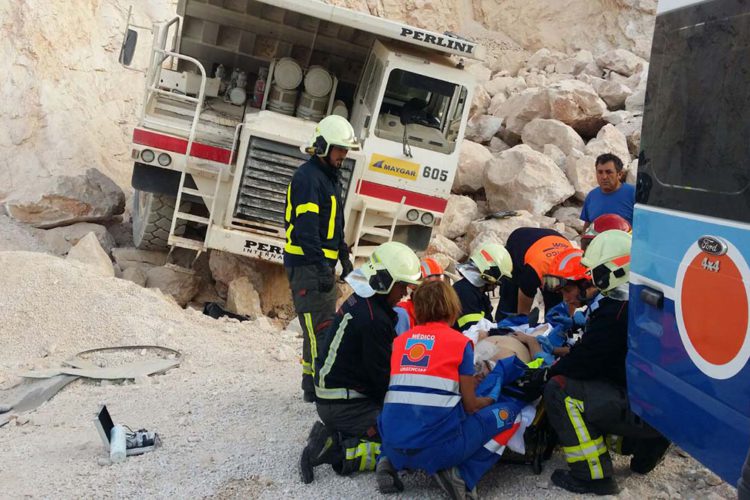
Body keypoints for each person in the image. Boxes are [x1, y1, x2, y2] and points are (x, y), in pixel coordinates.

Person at [535, 230, 670, 495]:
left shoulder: (614, 313)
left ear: (612, 269)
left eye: (595, 270)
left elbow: (584, 363)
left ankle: (592, 476)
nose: (593, 277)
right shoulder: (638, 300)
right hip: (657, 401)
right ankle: (641, 444)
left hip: (644, 407)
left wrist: (547, 373)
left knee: (560, 389)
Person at [379, 279, 528, 499]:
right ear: (451, 306)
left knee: (407, 411)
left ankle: (388, 460)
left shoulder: (400, 342)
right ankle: (462, 473)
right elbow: (470, 406)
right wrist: (489, 400)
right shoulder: (460, 343)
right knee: (510, 414)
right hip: (436, 450)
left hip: (392, 441)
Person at [299, 241, 422, 488]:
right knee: (407, 442)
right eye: (402, 286)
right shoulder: (373, 319)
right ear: (386, 282)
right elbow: (382, 381)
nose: (405, 293)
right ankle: (334, 451)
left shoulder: (366, 303)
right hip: (343, 405)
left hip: (337, 397)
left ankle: (336, 434)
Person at [284, 115, 359, 402]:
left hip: (320, 265)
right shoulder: (308, 178)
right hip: (308, 266)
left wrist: (344, 256)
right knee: (319, 331)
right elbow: (306, 231)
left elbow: (333, 225)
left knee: (318, 330)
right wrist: (320, 268)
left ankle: (312, 386)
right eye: (340, 149)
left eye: (346, 149)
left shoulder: (328, 178)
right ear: (324, 146)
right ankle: (319, 387)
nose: (344, 155)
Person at [496, 227, 574, 320]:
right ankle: (504, 324)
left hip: (552, 241)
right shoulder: (533, 272)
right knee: (510, 299)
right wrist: (522, 322)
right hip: (520, 241)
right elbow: (524, 304)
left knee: (555, 310)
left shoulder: (578, 271)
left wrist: (568, 321)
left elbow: (572, 300)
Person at [453, 243, 513, 332]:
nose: (497, 285)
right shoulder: (466, 294)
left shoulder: (474, 291)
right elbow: (473, 332)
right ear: (491, 275)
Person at [580, 153, 636, 230]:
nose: (604, 177)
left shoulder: (634, 194)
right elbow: (587, 226)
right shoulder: (591, 196)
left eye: (609, 172)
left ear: (619, 174)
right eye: (600, 172)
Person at [394, 257, 445, 335]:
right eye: (431, 288)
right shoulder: (402, 313)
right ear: (413, 286)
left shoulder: (442, 313)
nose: (437, 293)